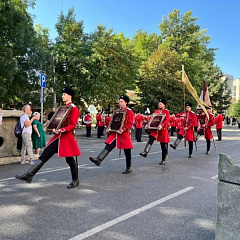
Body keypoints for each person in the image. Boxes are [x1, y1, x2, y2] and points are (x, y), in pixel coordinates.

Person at [15, 87, 81, 189]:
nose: (62, 96)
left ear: (69, 96)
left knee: (70, 160)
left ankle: (75, 179)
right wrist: (50, 128)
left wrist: (62, 130)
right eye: (62, 94)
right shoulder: (63, 107)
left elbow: (73, 125)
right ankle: (29, 175)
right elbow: (57, 121)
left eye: (64, 94)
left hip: (66, 137)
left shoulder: (74, 108)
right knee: (45, 154)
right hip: (58, 136)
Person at [89, 95, 134, 174]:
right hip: (115, 133)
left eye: (121, 101)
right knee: (109, 145)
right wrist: (109, 128)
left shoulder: (129, 111)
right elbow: (113, 121)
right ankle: (99, 159)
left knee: (127, 151)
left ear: (126, 103)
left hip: (124, 133)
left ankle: (128, 167)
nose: (119, 103)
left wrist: (123, 129)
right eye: (119, 101)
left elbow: (130, 124)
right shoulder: (117, 111)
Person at [140, 99, 170, 165]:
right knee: (151, 138)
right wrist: (148, 125)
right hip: (155, 129)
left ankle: (163, 159)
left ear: (164, 105)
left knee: (163, 145)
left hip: (162, 129)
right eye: (159, 104)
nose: (159, 105)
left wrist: (162, 125)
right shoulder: (156, 111)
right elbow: (152, 119)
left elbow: (167, 120)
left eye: (161, 104)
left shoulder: (166, 112)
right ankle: (145, 152)